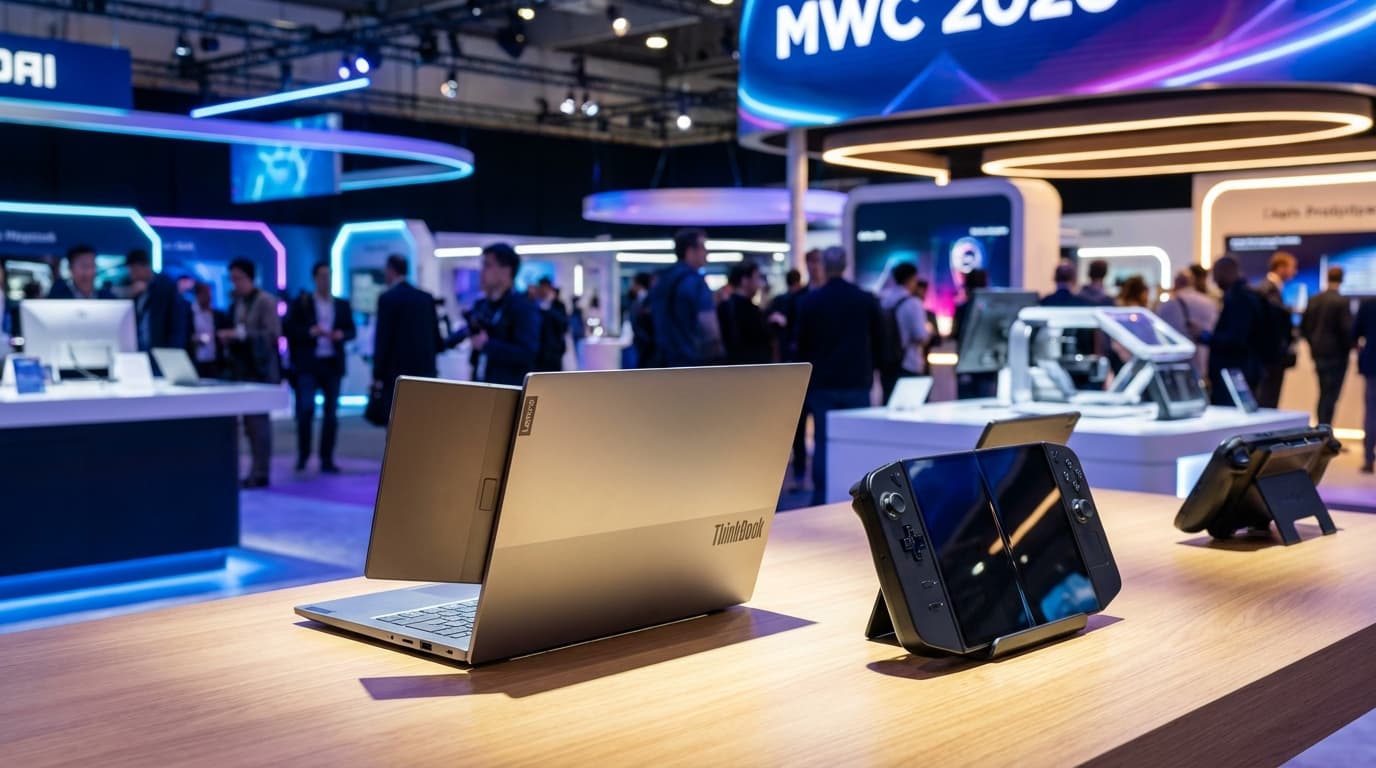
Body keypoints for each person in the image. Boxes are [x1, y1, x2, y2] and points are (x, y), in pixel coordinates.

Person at [797, 245, 882, 506]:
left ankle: (821, 498)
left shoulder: (810, 301)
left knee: (823, 441)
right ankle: (860, 497)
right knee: (856, 440)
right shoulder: (864, 299)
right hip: (856, 380)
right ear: (845, 265)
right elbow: (879, 338)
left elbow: (800, 344)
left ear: (824, 266)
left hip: (822, 382)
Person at [285, 260, 357, 474]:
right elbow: (289, 329)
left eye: (329, 275)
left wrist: (341, 335)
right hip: (309, 364)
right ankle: (304, 455)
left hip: (332, 363)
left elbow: (351, 330)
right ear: (315, 278)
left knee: (331, 414)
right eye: (322, 276)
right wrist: (310, 332)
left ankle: (327, 458)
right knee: (306, 409)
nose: (326, 280)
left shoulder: (341, 305)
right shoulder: (303, 303)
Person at [218, 258, 281, 489]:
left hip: (260, 371)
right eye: (232, 279)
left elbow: (273, 334)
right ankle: (252, 472)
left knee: (258, 425)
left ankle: (261, 472)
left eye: (238, 278)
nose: (235, 283)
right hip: (241, 370)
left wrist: (241, 336)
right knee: (246, 426)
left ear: (250, 277)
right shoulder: (237, 302)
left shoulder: (265, 301)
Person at [447, 243, 540, 385]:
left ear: (506, 271)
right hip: (480, 383)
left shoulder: (523, 307)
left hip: (508, 389)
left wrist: (487, 346)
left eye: (488, 265)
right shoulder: (483, 305)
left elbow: (527, 353)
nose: (482, 272)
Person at [372, 254, 442, 420]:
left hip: (396, 374)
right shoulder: (426, 298)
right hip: (425, 372)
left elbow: (383, 339)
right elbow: (436, 337)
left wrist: (377, 374)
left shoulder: (387, 298)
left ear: (391, 270)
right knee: (422, 420)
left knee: (397, 421)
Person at [647, 228, 722, 367]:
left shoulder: (662, 279)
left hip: (662, 361)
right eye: (703, 247)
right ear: (690, 251)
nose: (707, 252)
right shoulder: (696, 282)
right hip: (691, 361)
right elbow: (709, 327)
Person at [1203, 256, 1266, 406]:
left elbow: (1235, 339)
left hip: (1235, 373)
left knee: (1233, 415)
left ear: (1225, 272)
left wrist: (1207, 338)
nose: (1215, 280)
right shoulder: (1246, 296)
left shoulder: (1239, 299)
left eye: (1216, 274)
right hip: (1242, 370)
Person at [1302, 266, 1353, 428]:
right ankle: (1325, 432)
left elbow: (1304, 328)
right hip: (1337, 357)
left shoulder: (1314, 299)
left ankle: (1321, 430)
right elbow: (1346, 331)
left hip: (1318, 354)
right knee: (1330, 396)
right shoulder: (1341, 301)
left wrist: (1313, 345)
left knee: (1324, 393)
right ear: (1342, 279)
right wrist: (1350, 346)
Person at [878, 262, 930, 403]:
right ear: (911, 278)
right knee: (911, 410)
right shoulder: (913, 303)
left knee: (889, 408)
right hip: (909, 363)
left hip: (887, 364)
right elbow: (921, 336)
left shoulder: (884, 300)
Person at [1155, 268, 1218, 378]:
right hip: (1204, 361)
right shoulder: (1209, 302)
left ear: (1176, 283)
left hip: (1178, 363)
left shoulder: (1167, 305)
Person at [1254, 251, 1299, 408]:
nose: (1295, 272)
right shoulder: (1268, 289)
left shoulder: (1272, 288)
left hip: (1270, 356)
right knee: (1267, 399)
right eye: (1292, 267)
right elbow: (1272, 322)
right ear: (1280, 267)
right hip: (1270, 357)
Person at [125, 249, 190, 353]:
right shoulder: (134, 290)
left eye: (134, 270)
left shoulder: (165, 286)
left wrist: (174, 351)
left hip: (162, 349)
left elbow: (177, 322)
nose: (132, 275)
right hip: (138, 348)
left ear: (145, 267)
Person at [716, 260, 772, 365]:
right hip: (754, 368)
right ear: (744, 280)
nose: (759, 284)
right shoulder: (752, 311)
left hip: (729, 368)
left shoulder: (722, 307)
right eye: (757, 278)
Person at [953, 268, 997, 399]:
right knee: (984, 404)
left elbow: (955, 335)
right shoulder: (991, 311)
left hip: (968, 366)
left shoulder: (963, 309)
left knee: (966, 405)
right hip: (985, 366)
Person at [188, 281, 231, 378]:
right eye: (205, 293)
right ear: (197, 295)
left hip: (216, 363)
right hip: (196, 362)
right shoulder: (189, 315)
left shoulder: (218, 315)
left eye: (210, 294)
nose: (209, 297)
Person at [1353, 297, 1376, 473]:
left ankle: (1368, 458)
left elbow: (1354, 333)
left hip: (1372, 363)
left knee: (1372, 413)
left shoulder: (1368, 305)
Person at [47, 244, 114, 299]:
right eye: (84, 266)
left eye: (92, 265)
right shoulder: (57, 297)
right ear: (70, 268)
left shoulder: (108, 298)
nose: (88, 272)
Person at [533, 277, 569, 372]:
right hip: (538, 352)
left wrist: (548, 308)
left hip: (554, 351)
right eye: (541, 288)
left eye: (546, 288)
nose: (543, 291)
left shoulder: (558, 305)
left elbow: (564, 325)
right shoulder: (533, 304)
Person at [626, 272, 655, 368]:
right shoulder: (637, 300)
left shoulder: (648, 300)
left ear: (638, 284)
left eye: (632, 283)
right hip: (641, 345)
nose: (631, 286)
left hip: (648, 347)